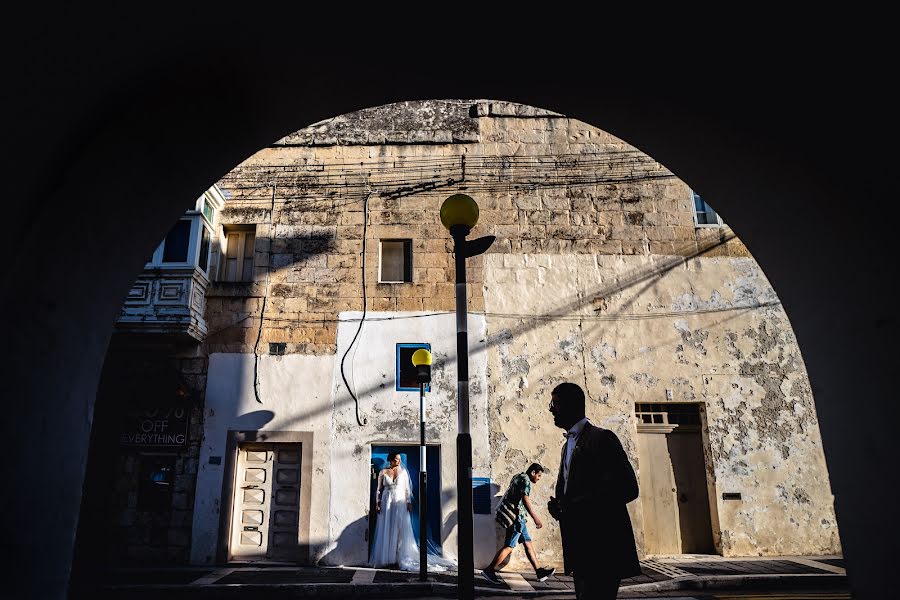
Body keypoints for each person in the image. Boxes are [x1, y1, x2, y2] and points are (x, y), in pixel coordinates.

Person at [547, 382, 640, 600]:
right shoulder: (567, 444)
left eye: (556, 403)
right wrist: (560, 507)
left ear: (573, 406)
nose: (551, 409)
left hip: (603, 546)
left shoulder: (602, 439)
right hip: (580, 546)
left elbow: (628, 489)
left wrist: (575, 504)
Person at [368, 452, 456, 572]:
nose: (398, 461)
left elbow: (406, 489)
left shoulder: (403, 472)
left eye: (399, 459)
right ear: (390, 460)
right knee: (386, 527)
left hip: (399, 501)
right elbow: (379, 489)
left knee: (400, 529)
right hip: (386, 500)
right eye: (396, 459)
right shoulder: (383, 472)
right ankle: (387, 558)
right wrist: (378, 503)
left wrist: (408, 502)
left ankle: (400, 557)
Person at [481, 463, 556, 585]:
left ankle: (539, 572)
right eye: (539, 475)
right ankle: (489, 570)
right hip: (517, 518)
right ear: (533, 472)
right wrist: (536, 518)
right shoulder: (526, 480)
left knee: (528, 543)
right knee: (509, 546)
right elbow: (525, 499)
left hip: (519, 518)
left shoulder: (518, 476)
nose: (538, 478)